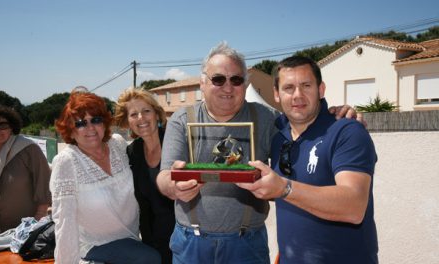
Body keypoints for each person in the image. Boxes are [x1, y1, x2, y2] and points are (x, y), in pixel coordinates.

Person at [156, 42, 361, 264]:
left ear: (245, 84)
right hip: (191, 243)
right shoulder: (182, 119)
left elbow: (304, 121)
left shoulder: (268, 119)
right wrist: (173, 188)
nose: (228, 87)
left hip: (246, 244)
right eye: (218, 80)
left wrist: (333, 114)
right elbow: (164, 176)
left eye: (236, 80)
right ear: (202, 83)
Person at [237, 56, 378, 263]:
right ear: (276, 94)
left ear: (320, 90)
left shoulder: (347, 131)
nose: (297, 95)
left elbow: (354, 206)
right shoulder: (279, 136)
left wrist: (284, 188)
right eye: (288, 88)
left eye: (306, 85)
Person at [50, 92, 161, 264]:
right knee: (150, 259)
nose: (90, 128)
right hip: (96, 244)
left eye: (95, 120)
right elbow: (64, 221)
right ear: (71, 132)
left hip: (132, 238)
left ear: (104, 123)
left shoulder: (118, 144)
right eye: (80, 123)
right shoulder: (66, 162)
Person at [114, 88, 174, 264]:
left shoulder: (176, 143)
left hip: (183, 242)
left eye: (146, 111)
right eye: (133, 114)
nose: (141, 118)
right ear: (127, 122)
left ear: (156, 114)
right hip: (151, 245)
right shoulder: (132, 152)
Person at [0, 105, 51, 232]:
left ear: (11, 126)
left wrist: (37, 222)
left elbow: (44, 182)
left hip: (25, 231)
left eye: (3, 125)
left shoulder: (28, 148)